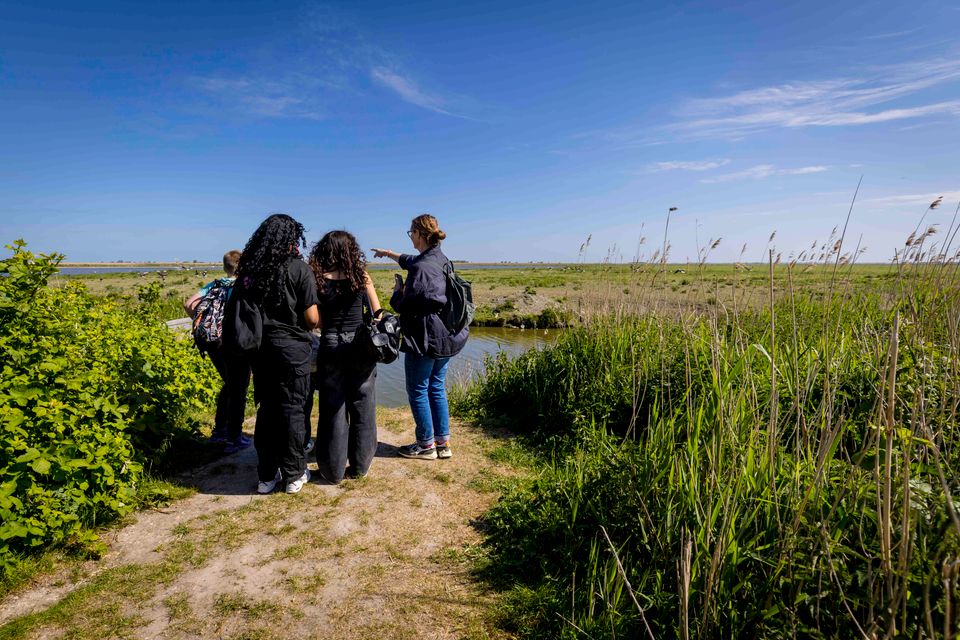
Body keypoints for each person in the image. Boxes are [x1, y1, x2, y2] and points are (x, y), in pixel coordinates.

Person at [233, 214, 319, 494]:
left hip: (260, 350)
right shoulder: (299, 269)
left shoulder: (251, 271)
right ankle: (294, 474)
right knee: (293, 411)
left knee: (268, 411)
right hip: (292, 350)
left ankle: (267, 476)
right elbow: (311, 319)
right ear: (292, 239)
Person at [372, 214, 468, 460]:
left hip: (425, 339)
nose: (410, 237)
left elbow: (408, 306)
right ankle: (442, 443)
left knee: (417, 389)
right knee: (436, 387)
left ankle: (425, 445)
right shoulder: (441, 259)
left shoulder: (421, 269)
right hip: (446, 336)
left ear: (420, 234)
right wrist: (388, 254)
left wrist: (397, 293)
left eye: (411, 233)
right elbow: (410, 260)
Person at [308, 230, 383, 483]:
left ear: (325, 250)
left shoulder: (317, 278)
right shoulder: (361, 276)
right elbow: (378, 312)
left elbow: (316, 321)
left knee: (333, 408)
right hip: (360, 345)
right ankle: (360, 466)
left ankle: (333, 471)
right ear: (352, 251)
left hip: (330, 344)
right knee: (363, 405)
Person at [184, 250, 252, 454]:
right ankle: (234, 438)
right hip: (235, 343)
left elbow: (189, 304)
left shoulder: (214, 284)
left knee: (229, 384)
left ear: (225, 266)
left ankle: (220, 430)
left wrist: (204, 323)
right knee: (238, 388)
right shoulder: (244, 285)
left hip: (214, 342)